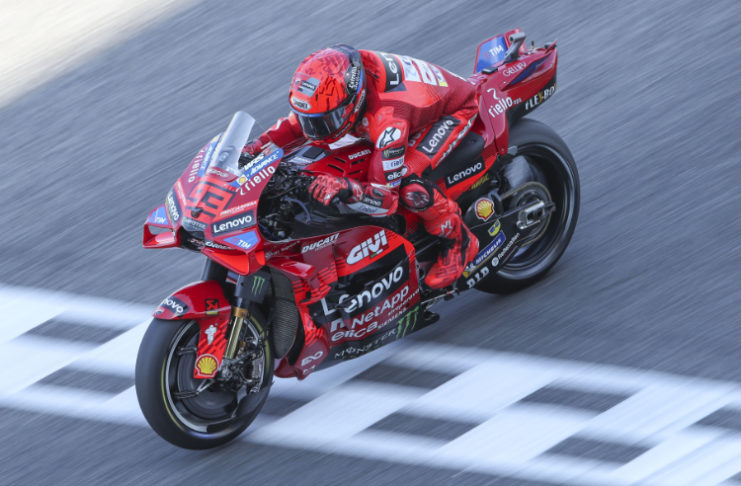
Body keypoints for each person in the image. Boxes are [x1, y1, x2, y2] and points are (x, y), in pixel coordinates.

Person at [243, 45, 479, 289]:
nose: (315, 132)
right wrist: (252, 148)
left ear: (353, 103)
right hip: (405, 106)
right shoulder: (339, 80)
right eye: (311, 121)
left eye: (326, 121)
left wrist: (345, 188)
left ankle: (460, 241)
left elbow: (386, 201)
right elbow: (294, 126)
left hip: (454, 111)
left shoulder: (388, 122)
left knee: (408, 182)